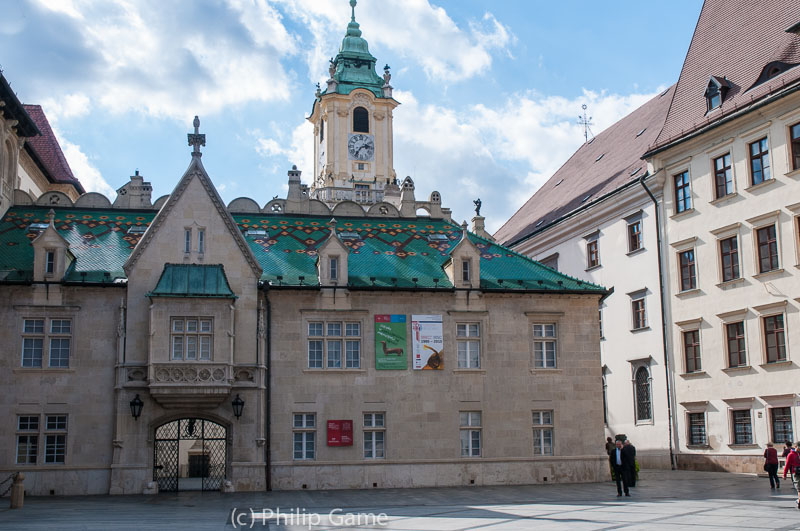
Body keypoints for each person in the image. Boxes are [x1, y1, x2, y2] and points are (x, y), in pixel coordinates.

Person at [783, 442, 800, 510]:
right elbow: (787, 465)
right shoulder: (791, 454)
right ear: (795, 447)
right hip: (795, 473)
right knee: (799, 489)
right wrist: (785, 474)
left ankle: (799, 501)